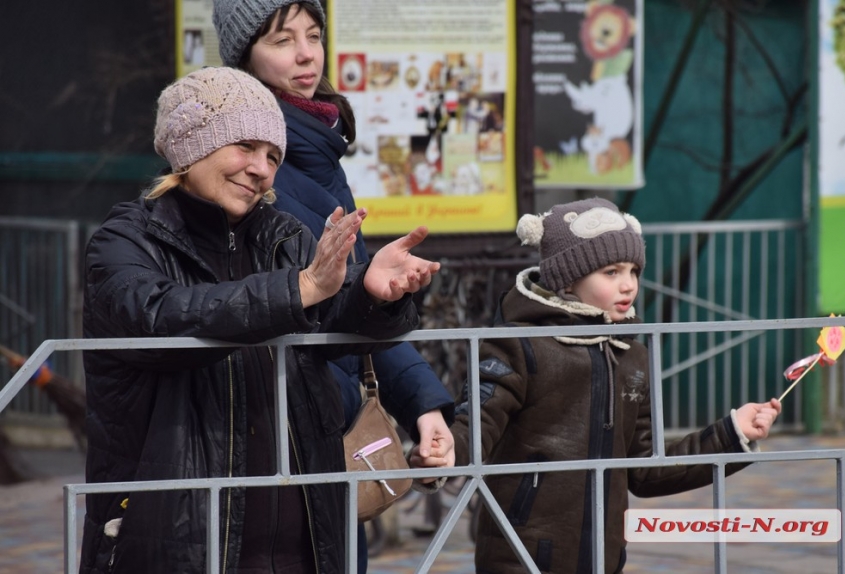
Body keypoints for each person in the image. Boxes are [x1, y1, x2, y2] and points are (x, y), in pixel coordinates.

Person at [79, 66, 441, 574]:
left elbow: (329, 328)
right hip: (177, 540)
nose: (261, 169)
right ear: (191, 146)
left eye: (273, 156)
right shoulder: (124, 241)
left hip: (305, 541)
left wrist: (370, 293)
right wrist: (304, 287)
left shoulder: (283, 236)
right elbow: (160, 318)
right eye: (245, 147)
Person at [211, 1, 456, 568]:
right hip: (284, 447)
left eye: (314, 35)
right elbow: (295, 316)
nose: (305, 53)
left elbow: (354, 312)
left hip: (329, 436)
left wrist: (422, 405)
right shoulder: (261, 170)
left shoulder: (319, 146)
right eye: (281, 40)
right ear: (244, 59)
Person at [413, 197, 782, 573]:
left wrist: (731, 434)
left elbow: (645, 468)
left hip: (603, 556)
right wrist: (444, 455)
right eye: (611, 272)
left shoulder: (631, 355)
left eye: (633, 271)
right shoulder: (519, 343)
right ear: (568, 279)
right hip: (521, 555)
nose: (628, 285)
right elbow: (478, 422)